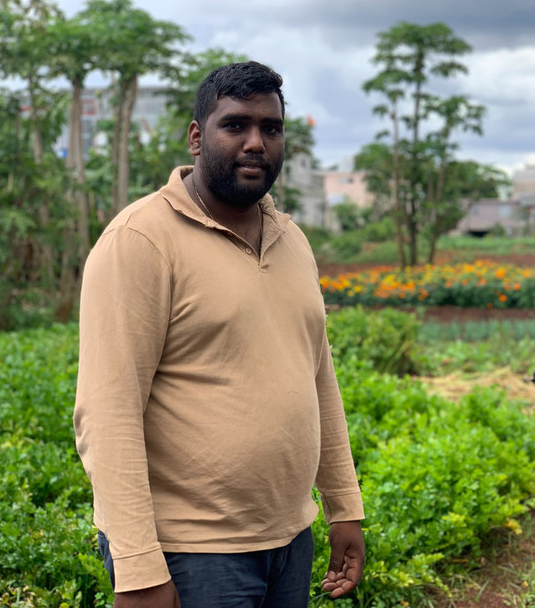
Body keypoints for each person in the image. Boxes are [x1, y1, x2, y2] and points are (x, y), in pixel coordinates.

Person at [73, 61, 365, 608]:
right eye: (236, 125)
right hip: (193, 555)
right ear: (197, 136)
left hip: (289, 542)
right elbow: (107, 414)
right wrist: (138, 568)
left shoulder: (291, 239)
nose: (256, 142)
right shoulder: (141, 241)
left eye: (271, 129)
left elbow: (319, 380)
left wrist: (343, 505)